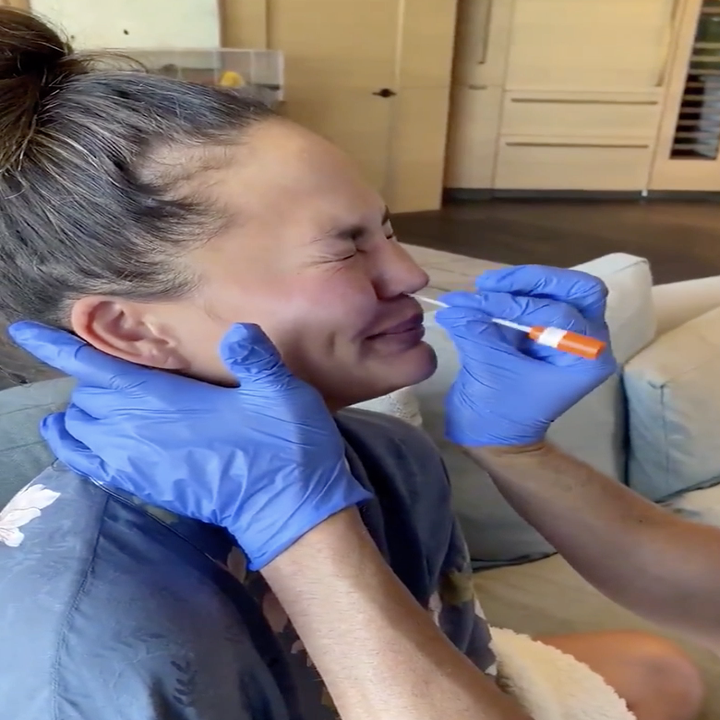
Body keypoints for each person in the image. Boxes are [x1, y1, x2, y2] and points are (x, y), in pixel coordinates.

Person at [0, 8, 703, 720]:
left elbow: (466, 661)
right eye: (345, 247)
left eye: (387, 230)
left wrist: (512, 447)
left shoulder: (396, 458)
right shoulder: (88, 637)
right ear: (131, 329)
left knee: (661, 670)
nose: (411, 275)